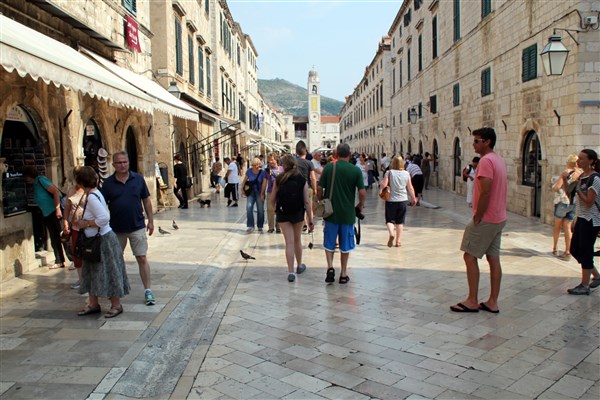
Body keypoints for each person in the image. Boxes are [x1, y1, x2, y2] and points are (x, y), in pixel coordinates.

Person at [451, 127, 507, 314]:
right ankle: (492, 302)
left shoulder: (486, 161)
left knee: (469, 255)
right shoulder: (498, 159)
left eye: (477, 141)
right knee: (493, 259)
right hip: (499, 217)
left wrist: (478, 215)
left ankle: (472, 300)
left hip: (486, 218)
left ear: (487, 142)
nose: (473, 144)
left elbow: (485, 191)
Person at [74, 166, 130, 318]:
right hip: (94, 240)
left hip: (102, 241)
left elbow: (104, 218)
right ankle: (93, 304)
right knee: (92, 272)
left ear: (80, 182)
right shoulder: (94, 193)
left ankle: (116, 305)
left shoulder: (92, 197)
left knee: (108, 271)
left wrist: (86, 224)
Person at [101, 151, 156, 306]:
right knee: (116, 261)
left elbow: (146, 200)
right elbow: (102, 205)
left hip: (137, 226)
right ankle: (116, 291)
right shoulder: (108, 183)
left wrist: (151, 221)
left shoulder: (138, 179)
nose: (123, 165)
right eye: (119, 162)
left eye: (125, 162)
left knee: (142, 257)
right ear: (113, 165)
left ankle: (148, 290)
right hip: (116, 229)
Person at [317, 143, 366, 284]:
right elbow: (362, 192)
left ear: (336, 154)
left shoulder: (329, 167)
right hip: (347, 214)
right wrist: (360, 205)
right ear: (349, 154)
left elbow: (319, 188)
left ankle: (330, 267)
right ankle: (343, 274)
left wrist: (322, 200)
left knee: (329, 242)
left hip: (331, 213)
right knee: (345, 245)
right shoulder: (355, 170)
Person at [271, 155, 313, 282]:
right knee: (297, 240)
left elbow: (272, 199)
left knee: (289, 242)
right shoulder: (302, 179)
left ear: (284, 165)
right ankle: (299, 265)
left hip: (283, 213)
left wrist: (276, 210)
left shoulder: (279, 179)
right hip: (298, 213)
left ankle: (291, 272)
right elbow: (307, 202)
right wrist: (310, 219)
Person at [567, 149, 600, 295]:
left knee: (586, 252)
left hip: (591, 220)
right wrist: (575, 218)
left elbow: (589, 201)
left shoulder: (595, 179)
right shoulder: (582, 176)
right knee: (574, 249)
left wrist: (578, 190)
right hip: (581, 218)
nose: (578, 161)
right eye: (578, 158)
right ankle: (597, 276)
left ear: (591, 161)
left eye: (582, 158)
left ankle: (585, 285)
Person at [22, 165, 67, 269]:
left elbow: (55, 192)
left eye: (26, 177)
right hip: (47, 214)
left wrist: (58, 208)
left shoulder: (41, 180)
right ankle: (59, 261)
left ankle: (73, 260)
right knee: (54, 238)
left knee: (64, 236)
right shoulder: (35, 185)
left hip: (55, 212)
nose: (26, 180)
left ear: (30, 175)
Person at [380, 155, 417, 247]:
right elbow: (410, 187)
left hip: (391, 200)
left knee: (389, 220)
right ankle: (398, 241)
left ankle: (391, 233)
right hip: (403, 201)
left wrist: (382, 183)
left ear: (393, 163)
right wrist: (413, 198)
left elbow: (383, 185)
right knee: (400, 221)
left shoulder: (389, 172)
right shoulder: (406, 173)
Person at [552, 154, 582, 260]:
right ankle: (568, 252)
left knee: (557, 226)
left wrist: (560, 184)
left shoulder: (566, 172)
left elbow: (557, 187)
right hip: (574, 203)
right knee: (568, 227)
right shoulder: (581, 173)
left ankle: (555, 248)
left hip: (563, 202)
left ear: (568, 163)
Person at [62, 166, 86, 289]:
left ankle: (89, 279)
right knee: (77, 254)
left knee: (89, 253)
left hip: (88, 228)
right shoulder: (71, 190)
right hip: (75, 227)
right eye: (76, 175)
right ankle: (81, 280)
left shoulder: (89, 190)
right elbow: (67, 207)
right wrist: (65, 222)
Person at [295, 141, 316, 231]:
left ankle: (304, 224)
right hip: (308, 187)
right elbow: (313, 178)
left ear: (296, 152)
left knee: (300, 207)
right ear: (306, 152)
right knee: (309, 207)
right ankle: (310, 223)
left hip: (297, 188)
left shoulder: (294, 163)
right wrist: (315, 188)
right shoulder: (309, 163)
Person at [241, 157, 266, 233]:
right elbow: (244, 180)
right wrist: (242, 189)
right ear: (253, 165)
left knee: (260, 210)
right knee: (248, 208)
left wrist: (262, 194)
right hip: (251, 192)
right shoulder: (249, 171)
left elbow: (264, 183)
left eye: (258, 164)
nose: (257, 166)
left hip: (259, 192)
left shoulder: (262, 172)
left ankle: (260, 226)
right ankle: (251, 225)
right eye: (255, 165)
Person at [263, 153, 283, 233]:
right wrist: (262, 193)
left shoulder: (281, 169)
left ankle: (278, 227)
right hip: (270, 192)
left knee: (279, 209)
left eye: (272, 159)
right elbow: (264, 182)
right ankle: (271, 227)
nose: (270, 161)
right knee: (270, 210)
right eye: (269, 160)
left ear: (276, 159)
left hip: (280, 192)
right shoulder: (267, 170)